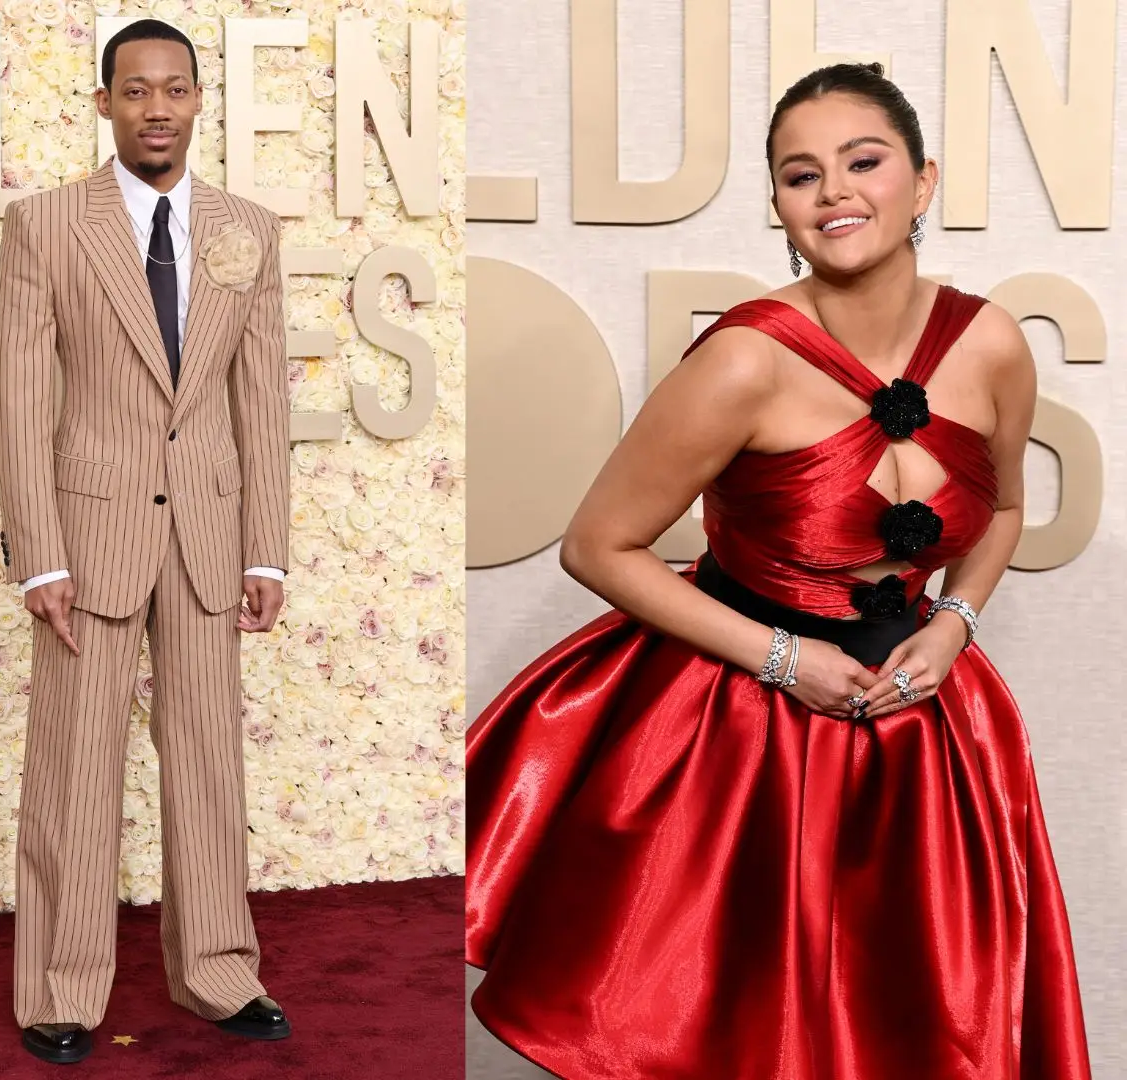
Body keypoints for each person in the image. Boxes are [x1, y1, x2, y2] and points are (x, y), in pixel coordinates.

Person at [465, 63, 1091, 1078]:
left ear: (923, 183)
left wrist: (953, 624)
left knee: (920, 1035)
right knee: (745, 1036)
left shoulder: (992, 344)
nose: (835, 191)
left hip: (926, 734)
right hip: (747, 737)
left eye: (863, 161)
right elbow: (598, 545)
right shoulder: (743, 361)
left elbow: (1006, 508)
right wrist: (782, 657)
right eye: (802, 175)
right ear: (778, 207)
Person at [0, 18, 292, 1066]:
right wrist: (41, 555)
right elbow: (21, 402)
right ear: (104, 103)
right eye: (135, 89)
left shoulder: (249, 227)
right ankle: (60, 988)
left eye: (175, 88)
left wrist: (267, 551)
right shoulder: (46, 226)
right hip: (88, 536)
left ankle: (218, 971)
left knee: (209, 762)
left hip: (211, 537)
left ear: (201, 100)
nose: (156, 106)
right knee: (74, 766)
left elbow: (262, 406)